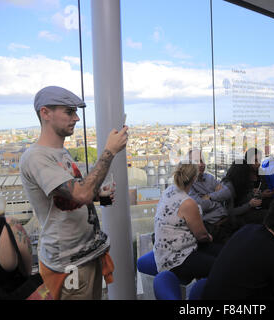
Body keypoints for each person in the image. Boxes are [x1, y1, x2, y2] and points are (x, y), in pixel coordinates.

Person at [19, 86, 128, 300]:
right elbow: (80, 194)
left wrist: (97, 196)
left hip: (84, 255)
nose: (76, 118)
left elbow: (69, 197)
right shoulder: (36, 157)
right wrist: (110, 151)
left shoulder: (60, 153)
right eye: (69, 112)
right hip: (68, 263)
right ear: (45, 113)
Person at [154, 161, 221, 283]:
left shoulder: (169, 190)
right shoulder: (188, 203)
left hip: (163, 253)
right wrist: (209, 237)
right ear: (194, 178)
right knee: (221, 266)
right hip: (176, 260)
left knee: (220, 252)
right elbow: (201, 236)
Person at [221, 148, 274, 229]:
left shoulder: (240, 182)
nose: (258, 163)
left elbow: (242, 198)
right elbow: (230, 212)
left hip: (247, 210)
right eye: (255, 160)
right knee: (267, 215)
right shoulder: (229, 187)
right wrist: (250, 204)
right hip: (238, 217)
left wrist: (256, 194)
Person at [187, 149, 232, 243]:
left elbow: (227, 192)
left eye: (202, 161)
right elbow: (200, 205)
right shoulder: (188, 184)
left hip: (225, 221)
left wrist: (210, 196)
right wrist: (218, 200)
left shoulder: (209, 177)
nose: (201, 164)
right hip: (211, 227)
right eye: (196, 162)